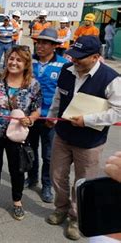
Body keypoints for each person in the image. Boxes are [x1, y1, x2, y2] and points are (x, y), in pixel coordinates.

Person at [45, 36, 121, 240]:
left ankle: (76, 218)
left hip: (89, 142)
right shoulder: (67, 70)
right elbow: (59, 96)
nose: (74, 61)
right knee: (57, 175)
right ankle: (61, 208)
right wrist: (52, 116)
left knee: (83, 181)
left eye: (80, 57)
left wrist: (87, 120)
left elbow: (118, 112)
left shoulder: (111, 79)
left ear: (96, 57)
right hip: (63, 134)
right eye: (73, 56)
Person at [0, 45, 42, 221]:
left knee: (17, 168)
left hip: (18, 133)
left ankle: (17, 201)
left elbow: (37, 109)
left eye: (19, 60)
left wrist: (30, 119)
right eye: (11, 58)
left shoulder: (33, 85)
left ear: (26, 63)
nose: (14, 62)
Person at [26, 28, 68, 203]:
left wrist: (56, 116)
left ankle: (47, 185)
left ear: (54, 46)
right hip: (30, 116)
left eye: (45, 43)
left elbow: (66, 94)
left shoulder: (64, 65)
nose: (40, 46)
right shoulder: (29, 62)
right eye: (38, 42)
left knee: (49, 155)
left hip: (51, 119)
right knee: (30, 150)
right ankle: (32, 177)